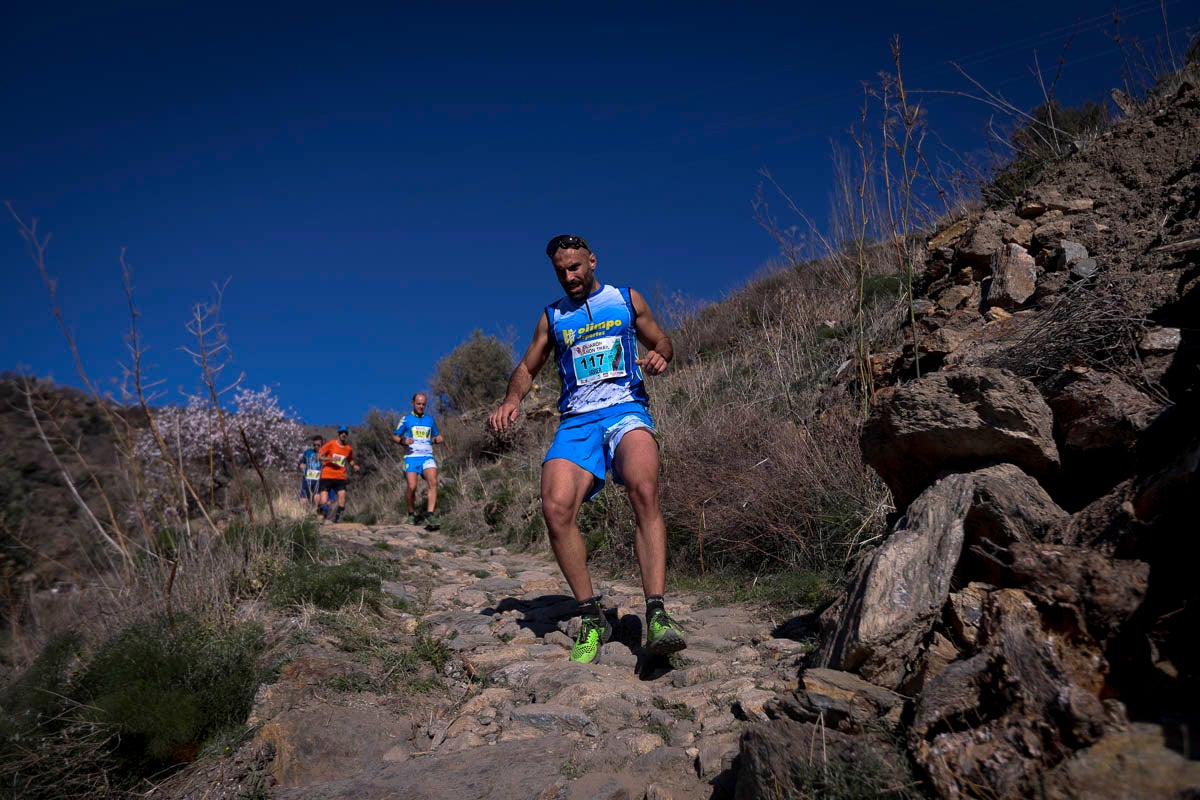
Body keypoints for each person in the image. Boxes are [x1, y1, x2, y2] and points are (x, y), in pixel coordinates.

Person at [489, 233, 686, 664]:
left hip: (625, 411)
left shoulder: (624, 298)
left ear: (592, 261)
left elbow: (661, 340)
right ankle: (592, 615)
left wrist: (661, 356)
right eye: (561, 271)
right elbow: (527, 366)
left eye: (575, 267)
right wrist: (511, 400)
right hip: (577, 421)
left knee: (643, 490)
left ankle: (656, 614)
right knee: (555, 507)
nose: (569, 276)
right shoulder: (553, 317)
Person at [393, 392, 444, 530]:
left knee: (433, 481)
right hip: (411, 457)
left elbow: (434, 436)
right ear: (413, 403)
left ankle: (430, 515)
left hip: (427, 456)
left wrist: (437, 439)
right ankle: (411, 513)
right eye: (418, 404)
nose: (421, 406)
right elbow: (395, 437)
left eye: (423, 404)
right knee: (412, 486)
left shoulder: (430, 420)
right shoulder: (406, 419)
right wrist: (404, 441)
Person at [318, 426, 360, 523]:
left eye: (345, 433)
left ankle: (337, 520)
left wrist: (354, 466)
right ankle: (320, 517)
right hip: (327, 476)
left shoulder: (348, 448)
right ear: (338, 434)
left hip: (340, 477)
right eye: (342, 433)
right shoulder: (330, 444)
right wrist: (330, 459)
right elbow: (319, 457)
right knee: (324, 500)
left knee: (342, 496)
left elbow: (350, 459)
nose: (343, 434)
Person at [298, 434, 324, 513]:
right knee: (303, 500)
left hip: (318, 480)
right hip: (307, 479)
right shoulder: (308, 452)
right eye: (314, 445)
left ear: (322, 445)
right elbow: (301, 462)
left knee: (317, 499)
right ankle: (304, 516)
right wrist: (301, 465)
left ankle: (315, 515)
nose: (316, 447)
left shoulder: (325, 454)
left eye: (318, 445)